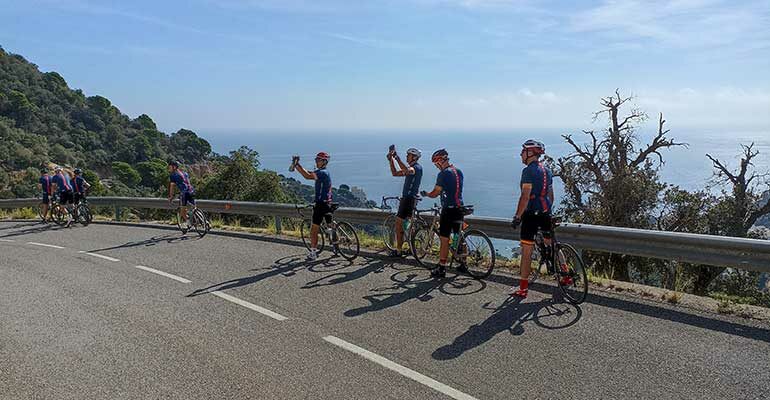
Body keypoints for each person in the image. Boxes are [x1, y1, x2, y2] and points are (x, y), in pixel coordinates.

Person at [509, 139, 557, 298]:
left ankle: (523, 288)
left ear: (530, 153)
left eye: (523, 151)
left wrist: (517, 216)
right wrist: (547, 209)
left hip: (531, 214)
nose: (521, 154)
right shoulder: (547, 170)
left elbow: (525, 196)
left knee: (527, 250)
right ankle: (565, 274)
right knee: (551, 243)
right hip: (545, 212)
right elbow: (551, 195)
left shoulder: (528, 171)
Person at [420, 149, 466, 278]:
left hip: (448, 209)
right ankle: (463, 263)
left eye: (436, 164)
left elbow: (436, 192)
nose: (436, 167)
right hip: (459, 207)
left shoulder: (443, 174)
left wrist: (427, 194)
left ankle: (441, 267)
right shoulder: (458, 171)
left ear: (440, 161)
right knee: (459, 235)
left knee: (444, 239)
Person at [292, 152, 332, 261]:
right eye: (316, 160)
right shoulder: (324, 172)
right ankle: (336, 245)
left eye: (318, 160)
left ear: (324, 161)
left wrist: (297, 165)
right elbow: (310, 173)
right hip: (328, 202)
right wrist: (298, 166)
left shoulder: (321, 173)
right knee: (331, 226)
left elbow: (307, 176)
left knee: (314, 229)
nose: (316, 161)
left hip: (320, 204)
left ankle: (313, 253)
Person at [386, 146, 423, 257]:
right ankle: (412, 249)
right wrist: (390, 160)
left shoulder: (416, 167)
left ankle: (399, 250)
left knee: (399, 224)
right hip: (411, 199)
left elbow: (408, 170)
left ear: (414, 157)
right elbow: (395, 173)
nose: (406, 156)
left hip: (408, 199)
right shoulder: (413, 169)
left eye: (408, 155)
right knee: (409, 224)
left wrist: (396, 158)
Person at [167, 160, 196, 232]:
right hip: (191, 191)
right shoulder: (185, 173)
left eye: (170, 166)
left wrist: (171, 196)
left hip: (184, 193)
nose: (168, 168)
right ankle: (206, 223)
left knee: (182, 212)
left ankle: (189, 223)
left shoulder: (173, 175)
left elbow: (172, 187)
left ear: (174, 167)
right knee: (194, 208)